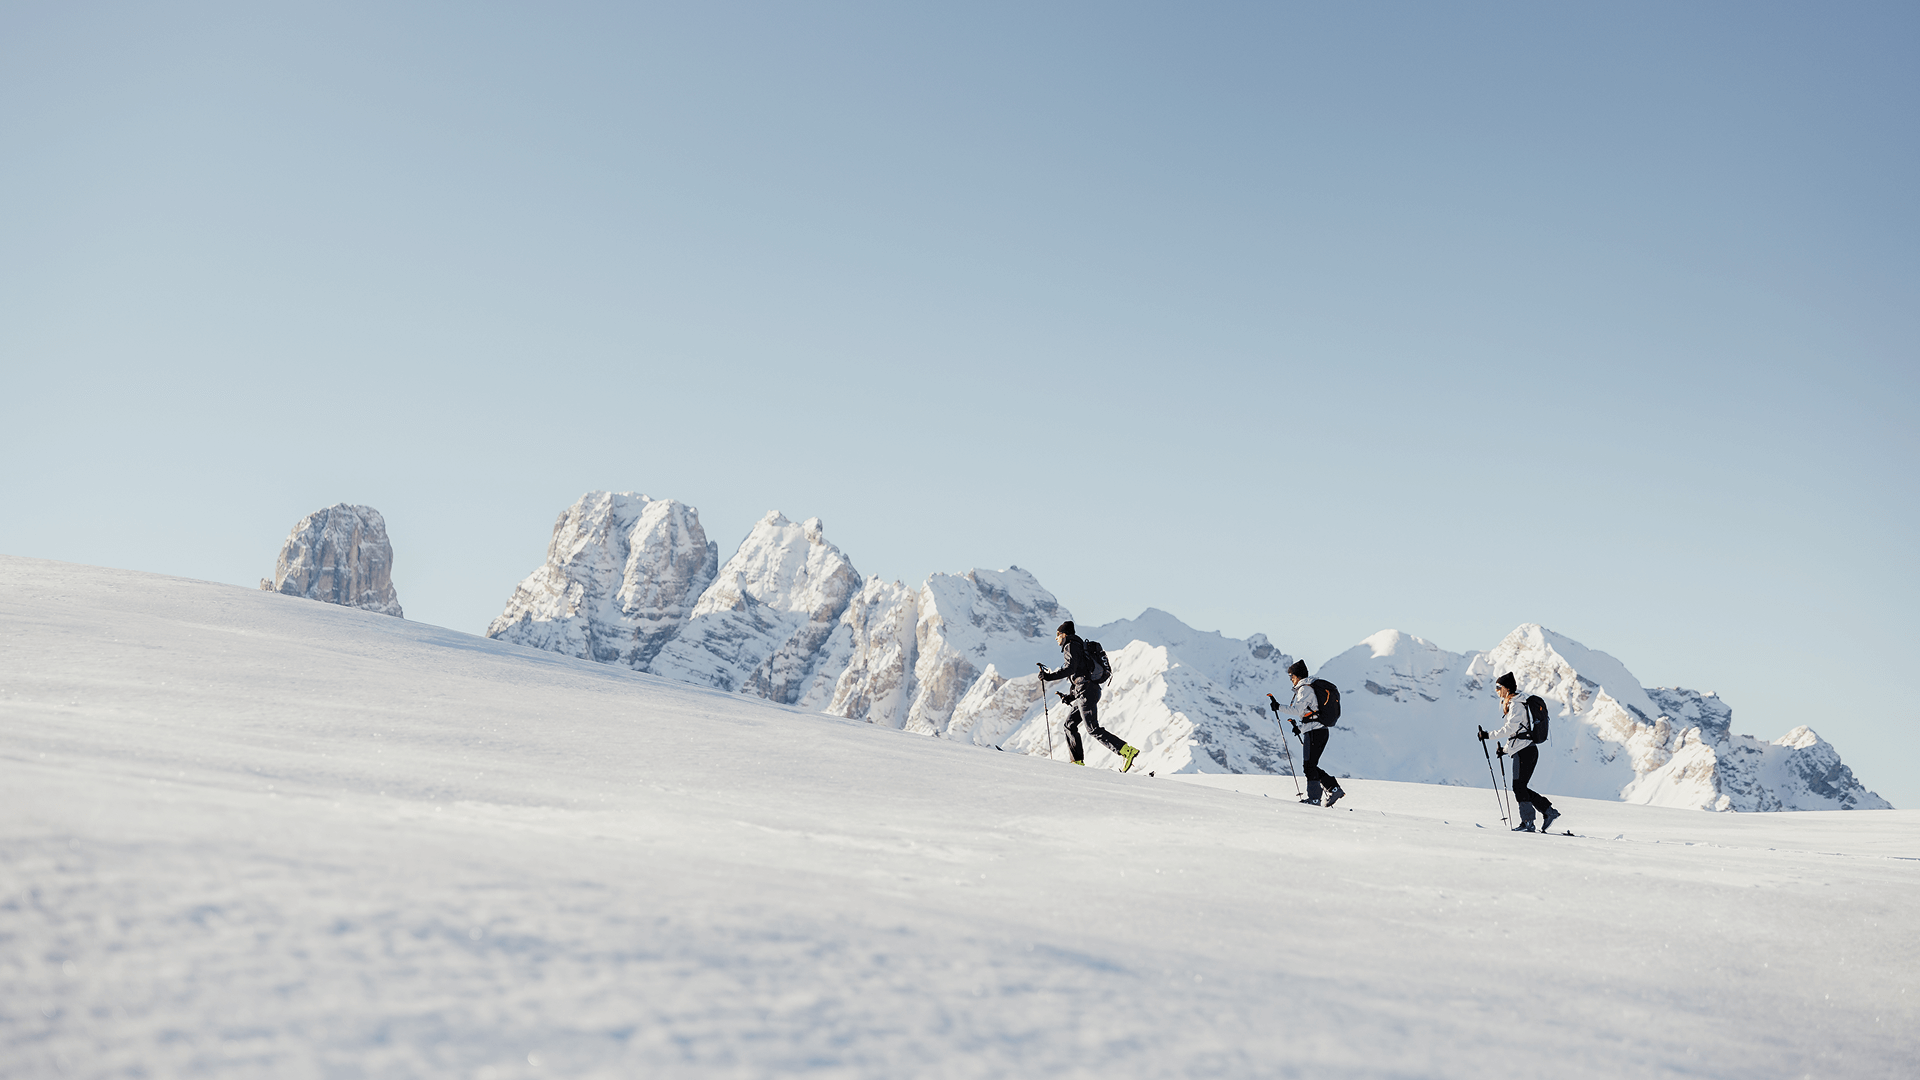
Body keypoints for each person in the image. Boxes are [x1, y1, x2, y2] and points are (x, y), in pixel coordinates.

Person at [1037, 620, 1140, 772]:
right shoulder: (1078, 646)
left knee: (1092, 728)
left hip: (1086, 692)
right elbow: (1081, 675)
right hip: (1085, 691)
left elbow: (1070, 669)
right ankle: (1077, 762)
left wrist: (1048, 677)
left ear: (1064, 635)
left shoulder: (1070, 645)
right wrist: (1070, 697)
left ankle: (1126, 750)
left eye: (1057, 635)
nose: (1056, 639)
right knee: (1069, 725)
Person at [1480, 672, 1561, 833]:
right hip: (1525, 750)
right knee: (1520, 787)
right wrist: (1504, 750)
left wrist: (1488, 735)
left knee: (1519, 787)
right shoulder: (1516, 703)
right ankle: (1547, 811)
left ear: (1507, 688)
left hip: (1525, 752)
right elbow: (1517, 735)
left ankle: (1528, 822)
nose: (1497, 690)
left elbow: (1510, 729)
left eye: (1499, 687)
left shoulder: (1516, 704)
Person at [1275, 659, 1345, 807]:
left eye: (1291, 676)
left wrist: (1278, 707)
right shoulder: (1307, 688)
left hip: (1315, 732)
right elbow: (1310, 715)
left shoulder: (1304, 689)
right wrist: (1300, 728)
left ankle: (1315, 798)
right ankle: (1333, 789)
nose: (1291, 679)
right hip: (1316, 730)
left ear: (1297, 676)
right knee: (1310, 765)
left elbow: (1298, 710)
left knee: (1309, 766)